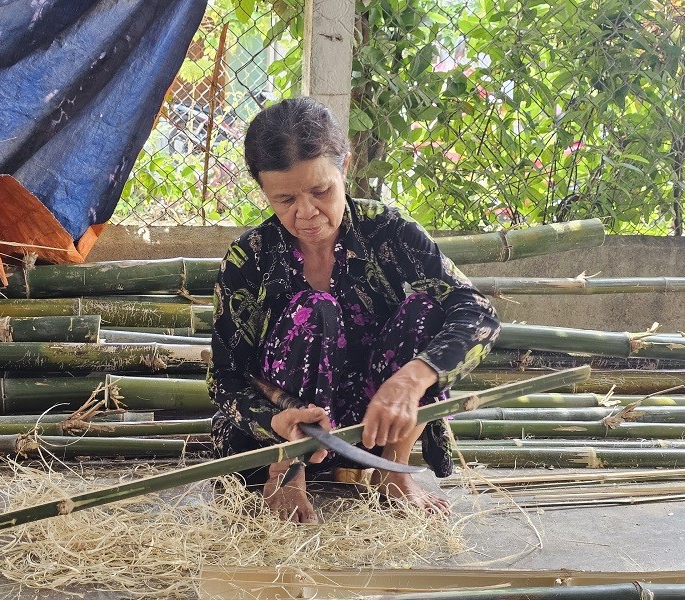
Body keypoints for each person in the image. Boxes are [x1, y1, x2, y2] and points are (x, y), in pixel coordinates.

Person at [207, 97, 500, 524]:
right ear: (264, 191)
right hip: (281, 436)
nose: (306, 213)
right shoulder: (250, 257)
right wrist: (275, 420)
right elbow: (223, 378)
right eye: (284, 199)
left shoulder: (390, 232)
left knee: (428, 306)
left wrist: (411, 379)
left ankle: (390, 474)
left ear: (344, 167)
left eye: (321, 191)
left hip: (373, 430)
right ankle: (289, 477)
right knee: (315, 309)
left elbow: (477, 312)